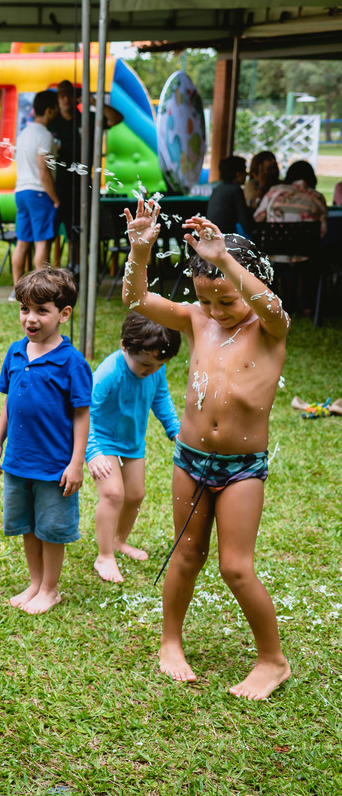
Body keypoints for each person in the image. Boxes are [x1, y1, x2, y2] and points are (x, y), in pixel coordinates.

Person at [123, 198, 291, 701]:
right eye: (208, 300)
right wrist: (140, 248)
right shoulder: (197, 318)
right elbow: (136, 300)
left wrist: (224, 262)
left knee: (235, 566)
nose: (216, 310)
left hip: (242, 468)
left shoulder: (268, 327)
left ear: (244, 283)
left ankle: (272, 660)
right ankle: (170, 642)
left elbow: (270, 305)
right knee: (186, 553)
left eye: (227, 300)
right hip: (191, 460)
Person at [0, 268, 91, 615]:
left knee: (51, 529)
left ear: (64, 314)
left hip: (54, 466)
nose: (30, 319)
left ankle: (50, 589)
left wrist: (76, 463)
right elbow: (9, 402)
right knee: (27, 526)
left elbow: (81, 415)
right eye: (24, 309)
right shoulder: (16, 353)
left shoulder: (72, 362)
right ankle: (35, 582)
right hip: (18, 460)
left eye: (41, 310)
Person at [86, 312, 182, 584]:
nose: (150, 371)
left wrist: (174, 428)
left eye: (158, 365)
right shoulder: (108, 372)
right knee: (114, 494)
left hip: (132, 441)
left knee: (136, 494)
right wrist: (92, 452)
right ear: (124, 346)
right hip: (102, 439)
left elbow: (160, 397)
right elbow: (84, 412)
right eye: (144, 365)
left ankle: (119, 541)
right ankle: (104, 556)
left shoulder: (155, 367)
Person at [49, 80, 122, 269]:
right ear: (57, 99)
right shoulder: (52, 122)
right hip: (58, 184)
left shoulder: (88, 118)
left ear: (76, 97)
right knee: (53, 229)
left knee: (81, 229)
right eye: (62, 95)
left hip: (83, 183)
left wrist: (93, 102)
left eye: (69, 95)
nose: (66, 99)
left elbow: (116, 118)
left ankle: (77, 267)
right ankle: (54, 269)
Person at [10, 90, 61, 289]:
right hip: (39, 193)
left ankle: (17, 289)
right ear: (49, 110)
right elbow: (43, 170)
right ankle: (41, 288)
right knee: (42, 242)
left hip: (21, 191)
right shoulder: (44, 135)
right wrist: (55, 198)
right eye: (55, 108)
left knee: (22, 242)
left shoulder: (23, 133)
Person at [253, 159, 328, 238]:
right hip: (306, 247)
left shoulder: (274, 191)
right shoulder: (318, 197)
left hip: (273, 246)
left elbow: (257, 218)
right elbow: (323, 231)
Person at [206, 155, 255, 238]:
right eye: (244, 170)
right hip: (224, 240)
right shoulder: (235, 190)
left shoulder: (217, 188)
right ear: (237, 174)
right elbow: (246, 224)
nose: (246, 174)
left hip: (211, 237)